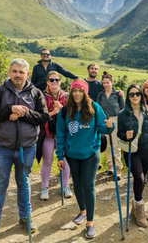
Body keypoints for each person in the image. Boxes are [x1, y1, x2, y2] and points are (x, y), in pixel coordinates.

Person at [0, 59, 49, 242]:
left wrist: (22, 113)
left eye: (21, 72)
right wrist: (9, 109)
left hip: (28, 148)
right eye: (15, 71)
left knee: (23, 184)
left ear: (27, 74)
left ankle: (26, 219)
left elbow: (43, 117)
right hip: (2, 147)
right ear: (9, 72)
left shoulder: (36, 93)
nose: (18, 75)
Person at [56, 80, 114, 239]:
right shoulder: (65, 110)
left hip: (91, 152)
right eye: (74, 91)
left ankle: (90, 221)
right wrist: (60, 156)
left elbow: (102, 128)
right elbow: (61, 134)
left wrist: (110, 126)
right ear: (71, 92)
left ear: (85, 92)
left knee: (88, 185)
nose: (77, 94)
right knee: (77, 183)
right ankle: (82, 210)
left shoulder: (94, 107)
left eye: (80, 91)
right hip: (72, 154)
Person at [117, 84, 148, 227]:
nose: (135, 96)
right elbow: (119, 133)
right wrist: (125, 135)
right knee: (139, 178)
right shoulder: (122, 114)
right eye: (131, 94)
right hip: (132, 151)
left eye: (137, 94)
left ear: (141, 96)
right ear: (128, 97)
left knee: (143, 179)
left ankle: (135, 206)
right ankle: (140, 207)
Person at [38, 71, 72, 200]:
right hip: (48, 133)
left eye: (57, 80)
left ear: (60, 81)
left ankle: (65, 186)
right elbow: (40, 116)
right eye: (51, 80)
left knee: (65, 160)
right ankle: (45, 187)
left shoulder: (67, 96)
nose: (54, 82)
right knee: (48, 160)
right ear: (47, 82)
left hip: (63, 134)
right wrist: (54, 112)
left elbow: (72, 116)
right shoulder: (42, 97)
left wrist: (62, 108)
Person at [96, 71, 125, 179]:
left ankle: (117, 169)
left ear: (112, 82)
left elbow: (123, 109)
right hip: (104, 120)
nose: (106, 85)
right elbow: (98, 109)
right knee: (107, 144)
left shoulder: (118, 94)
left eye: (108, 82)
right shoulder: (100, 95)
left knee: (115, 145)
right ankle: (110, 167)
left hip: (115, 120)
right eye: (104, 83)